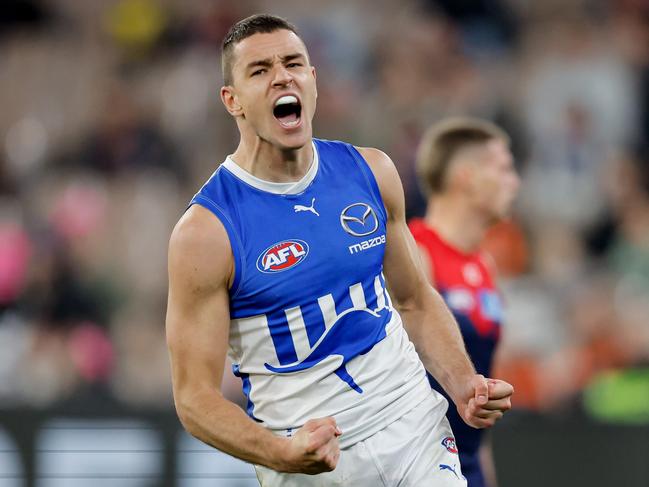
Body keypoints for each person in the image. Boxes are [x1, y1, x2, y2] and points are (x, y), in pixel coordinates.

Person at [166, 14, 513, 487]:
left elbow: (413, 299)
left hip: (411, 423)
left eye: (294, 63)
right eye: (260, 70)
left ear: (313, 81)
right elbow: (193, 398)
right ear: (233, 101)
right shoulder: (207, 232)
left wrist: (463, 383)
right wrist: (280, 453)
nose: (282, 76)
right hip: (311, 458)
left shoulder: (371, 172)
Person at [409, 117, 521, 487]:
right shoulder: (415, 253)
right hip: (417, 460)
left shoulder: (484, 265)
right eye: (503, 168)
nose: (514, 182)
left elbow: (483, 376)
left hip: (467, 463)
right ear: (466, 177)